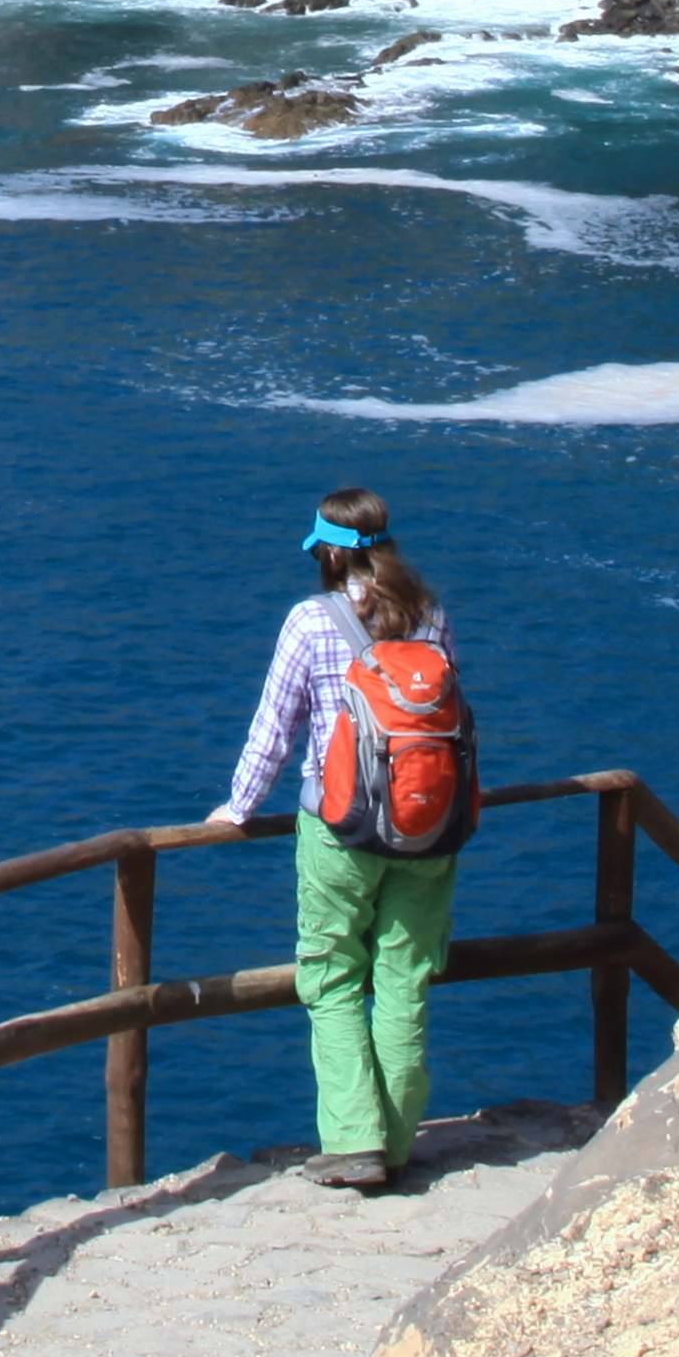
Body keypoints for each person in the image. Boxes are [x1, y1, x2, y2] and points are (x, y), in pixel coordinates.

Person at [206, 484, 462, 1192]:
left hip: (340, 829)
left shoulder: (310, 622)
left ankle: (354, 1142)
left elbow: (274, 728)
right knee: (405, 977)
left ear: (325, 551)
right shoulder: (429, 614)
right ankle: (400, 1140)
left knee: (333, 975)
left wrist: (237, 807)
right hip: (428, 829)